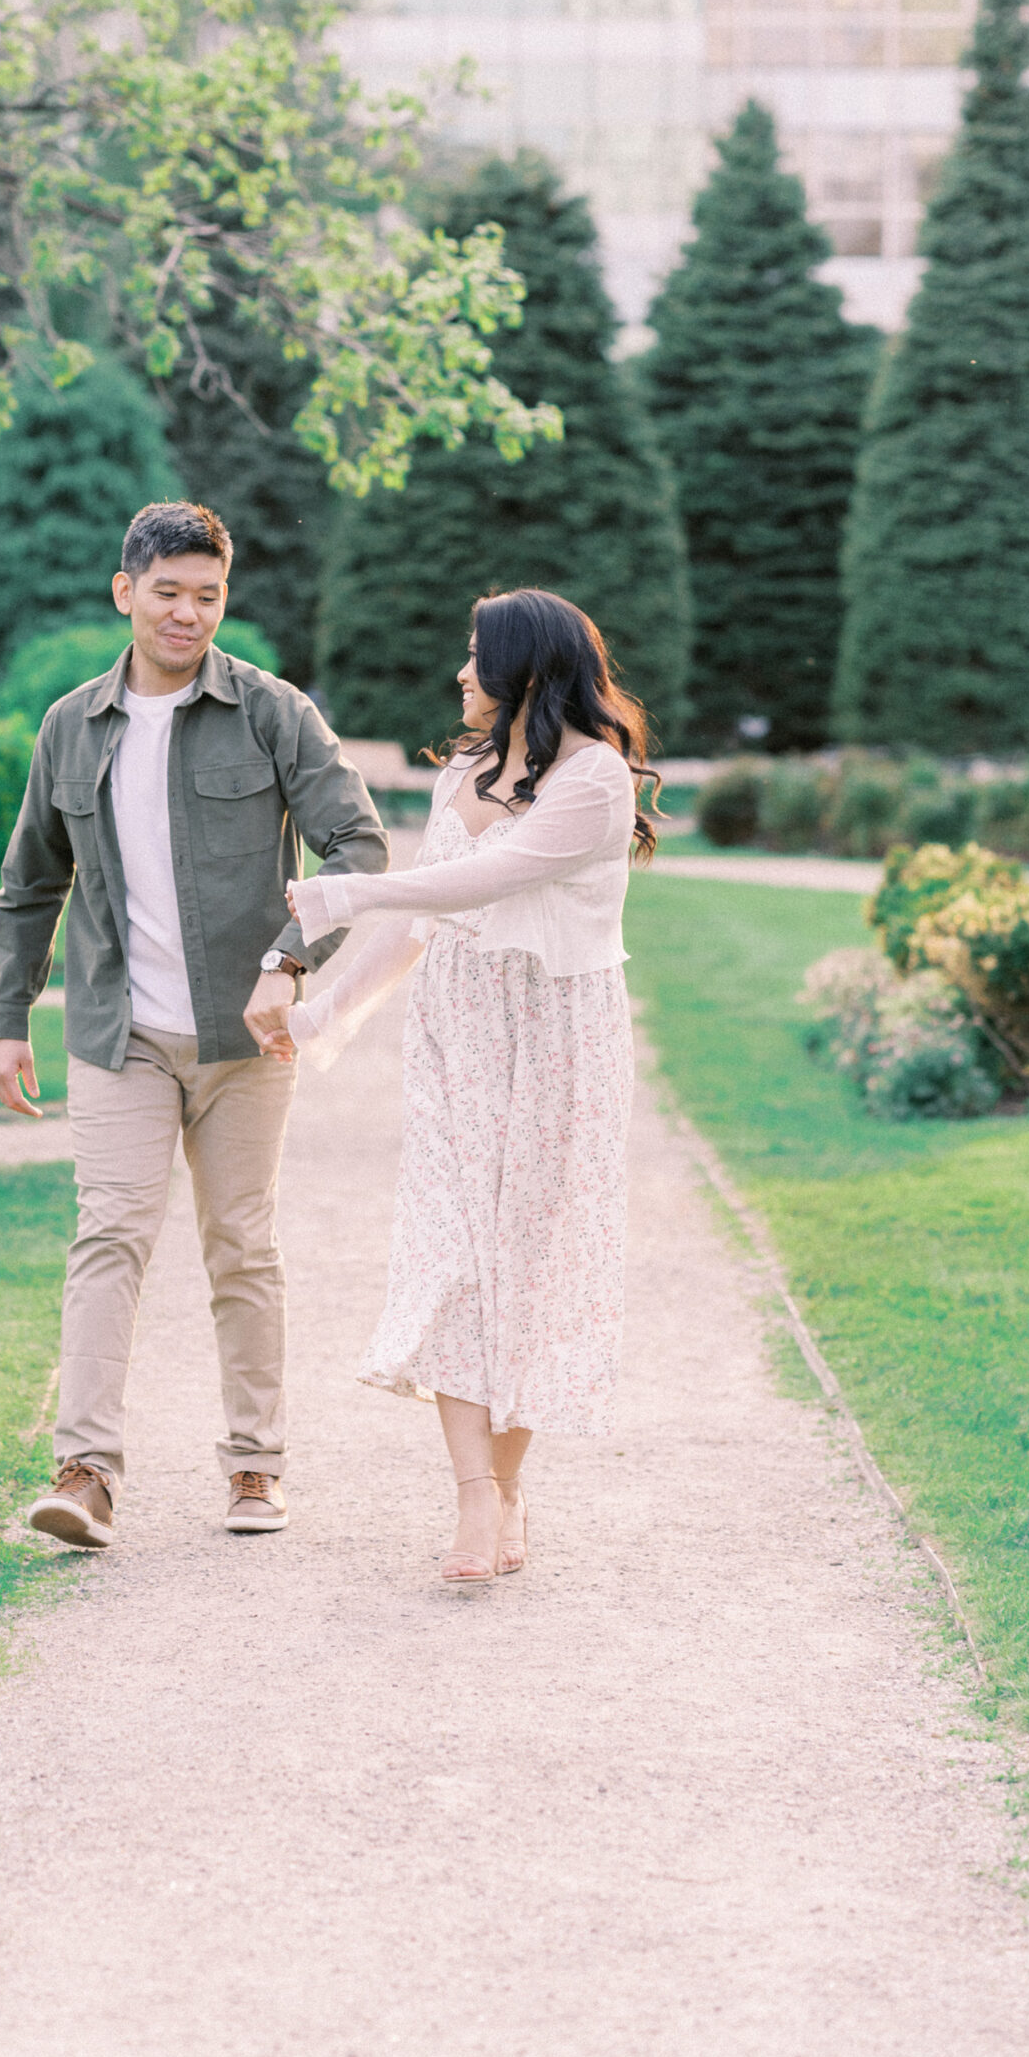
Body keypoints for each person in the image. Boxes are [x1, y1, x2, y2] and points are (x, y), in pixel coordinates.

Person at [0, 500, 388, 1550]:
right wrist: (7, 1015)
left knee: (240, 1243)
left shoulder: (272, 711)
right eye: (168, 592)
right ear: (126, 591)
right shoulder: (71, 726)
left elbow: (359, 849)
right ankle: (85, 1473)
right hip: (121, 1032)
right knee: (108, 1235)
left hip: (243, 1041)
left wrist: (288, 962)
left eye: (207, 595)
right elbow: (31, 881)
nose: (188, 614)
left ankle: (255, 1468)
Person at [279, 589, 655, 1587]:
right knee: (452, 1252)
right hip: (460, 1032)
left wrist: (347, 886)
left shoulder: (595, 781)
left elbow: (481, 883)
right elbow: (419, 924)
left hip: (557, 1039)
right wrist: (328, 1010)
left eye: (474, 655)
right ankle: (474, 1498)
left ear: (526, 669)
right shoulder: (464, 772)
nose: (459, 674)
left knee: (529, 1267)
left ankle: (510, 1482)